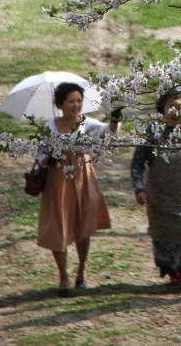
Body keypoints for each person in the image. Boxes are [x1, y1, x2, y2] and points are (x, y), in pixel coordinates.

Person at [37, 82, 120, 296]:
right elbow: (40, 153)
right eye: (71, 101)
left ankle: (82, 269)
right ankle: (63, 276)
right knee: (59, 224)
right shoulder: (49, 126)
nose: (76, 105)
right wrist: (48, 158)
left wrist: (114, 121)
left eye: (79, 101)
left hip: (83, 175)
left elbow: (107, 132)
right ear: (60, 104)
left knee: (84, 223)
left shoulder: (85, 123)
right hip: (58, 178)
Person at [130, 92, 181, 291]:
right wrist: (139, 188)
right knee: (165, 234)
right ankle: (173, 273)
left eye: (179, 106)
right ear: (162, 109)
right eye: (171, 106)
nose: (175, 111)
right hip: (160, 196)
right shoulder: (152, 131)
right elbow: (137, 162)